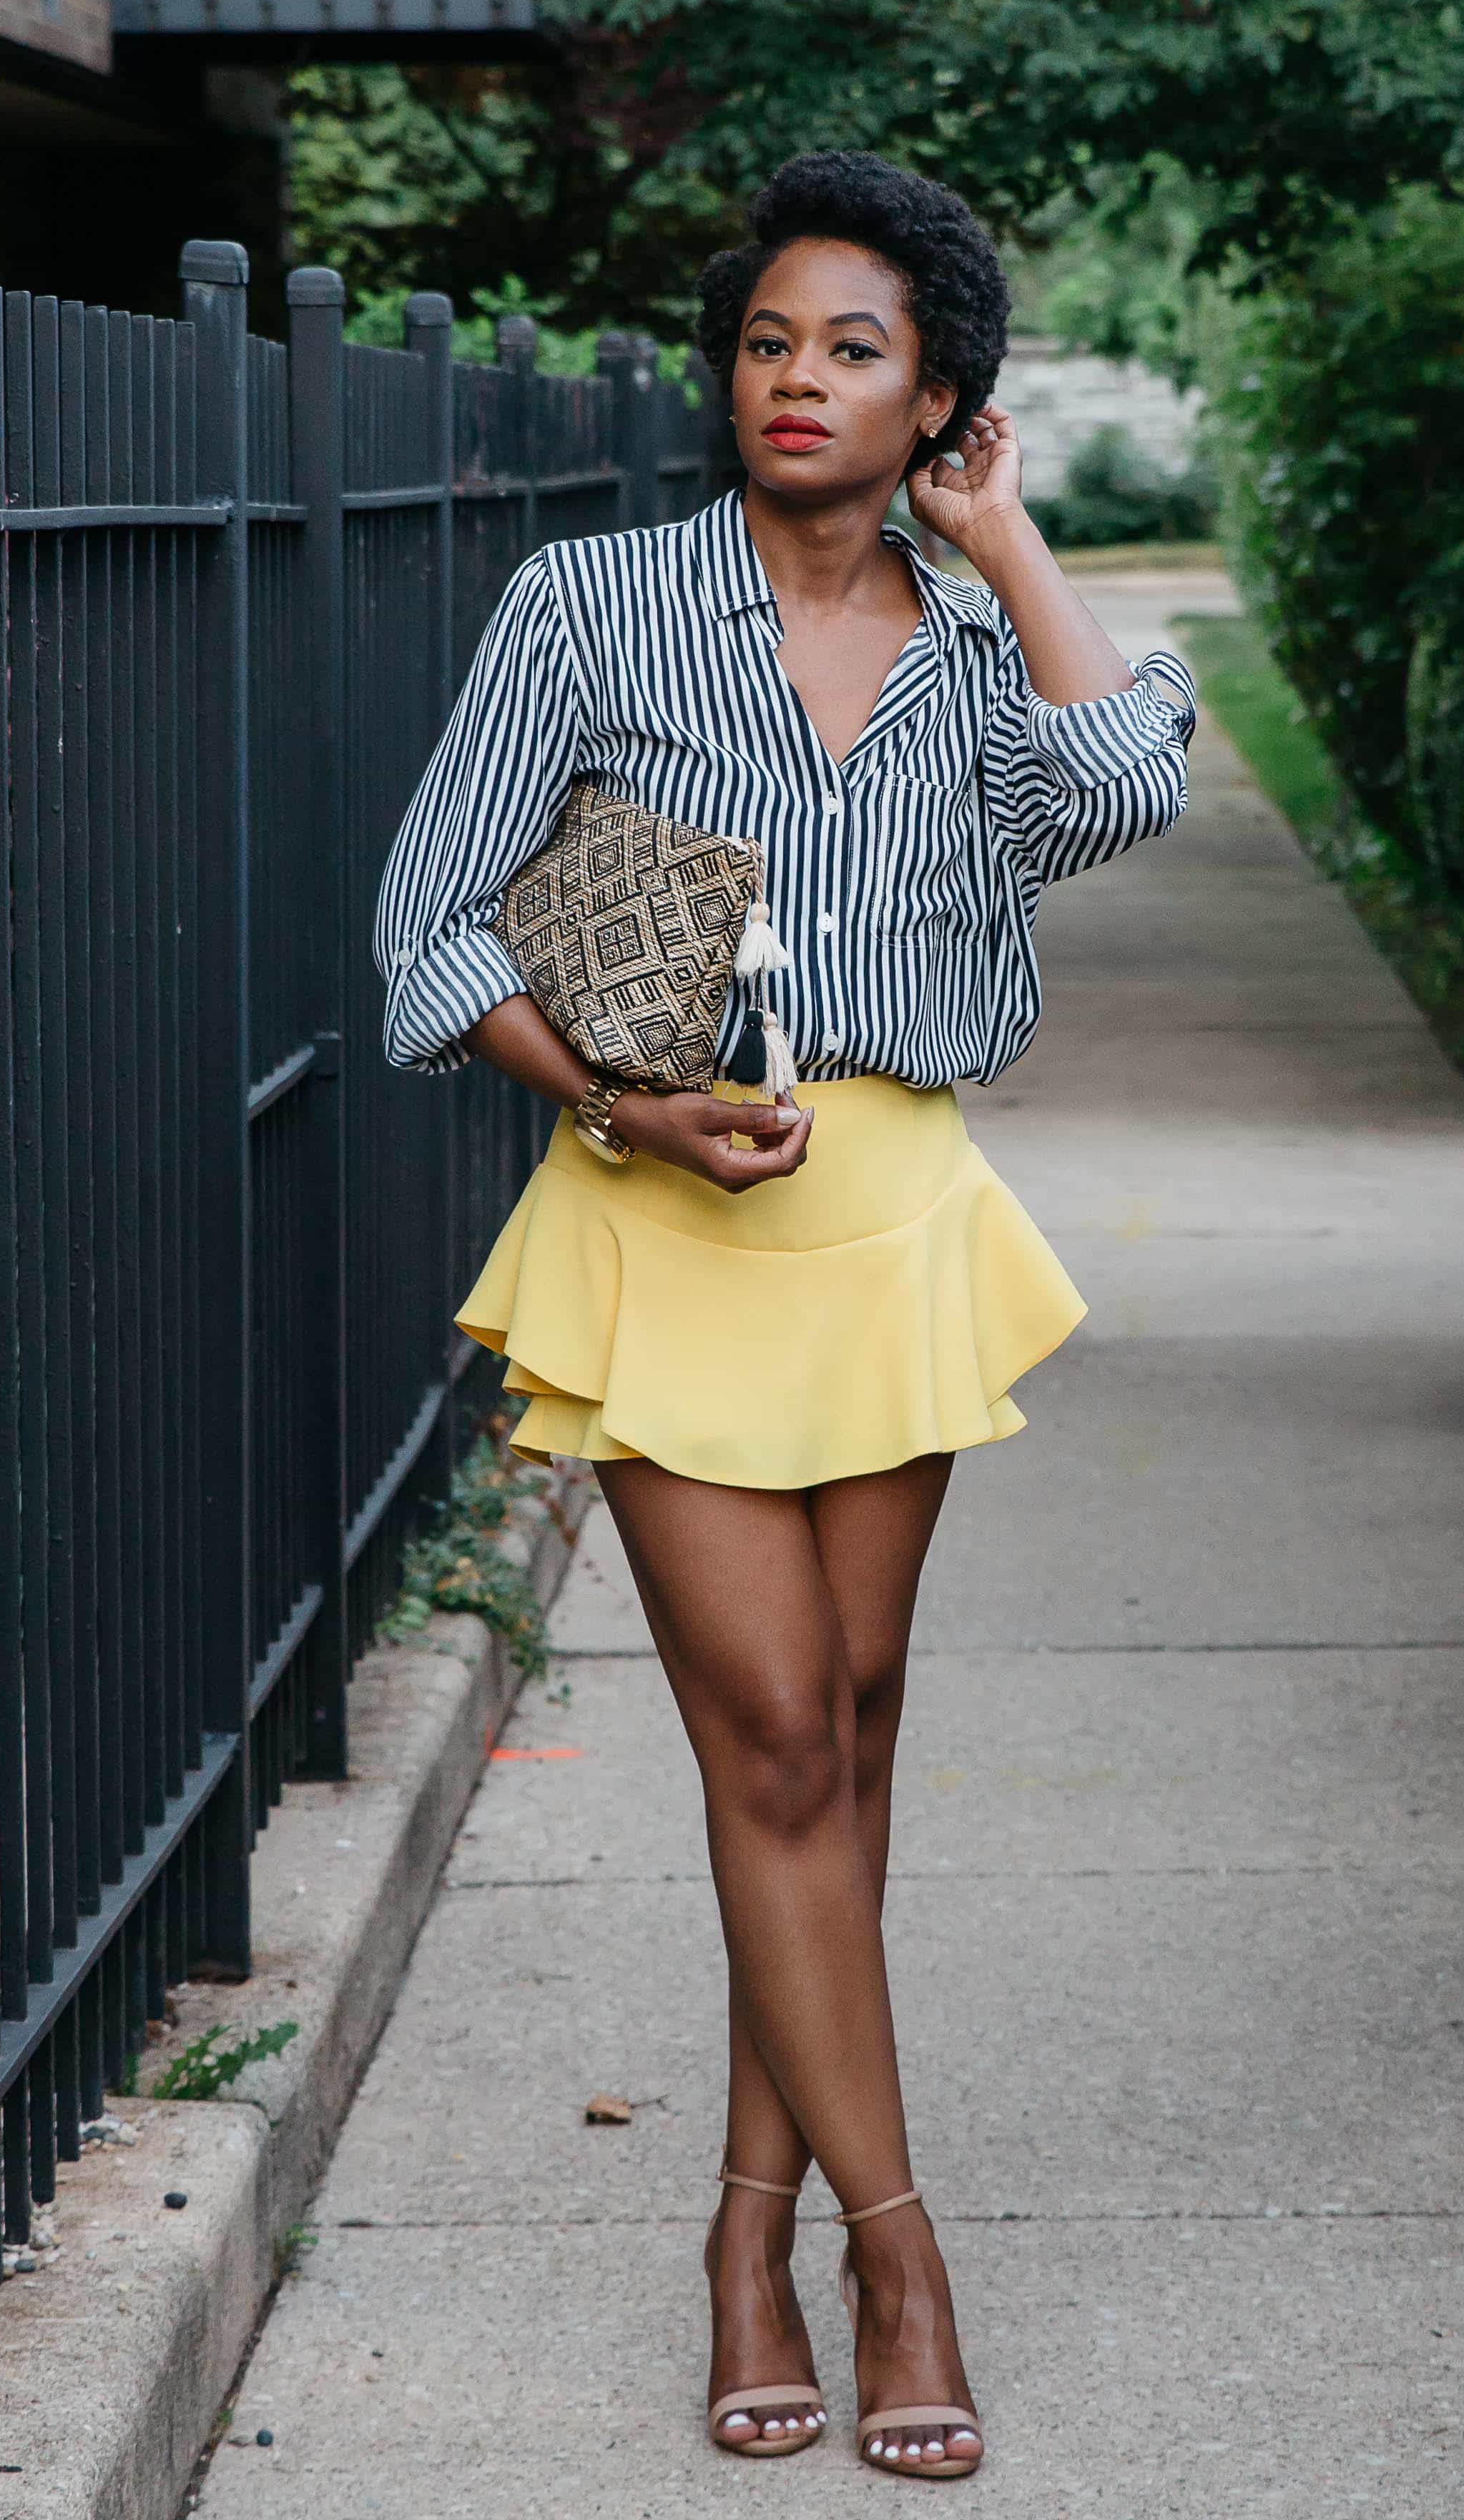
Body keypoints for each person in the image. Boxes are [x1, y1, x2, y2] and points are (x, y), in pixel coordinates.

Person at [370, 149, 1194, 2479]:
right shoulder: (594, 606)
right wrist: (619, 1102)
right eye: (765, 343)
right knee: (777, 1743)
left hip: (896, 1214)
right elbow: (432, 934)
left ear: (939, 392)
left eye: (853, 348)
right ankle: (899, 2251)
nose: (796, 381)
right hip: (668, 1218)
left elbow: (1132, 787)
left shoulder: (978, 638)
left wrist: (1009, 537)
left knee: (835, 1746)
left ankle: (745, 2235)